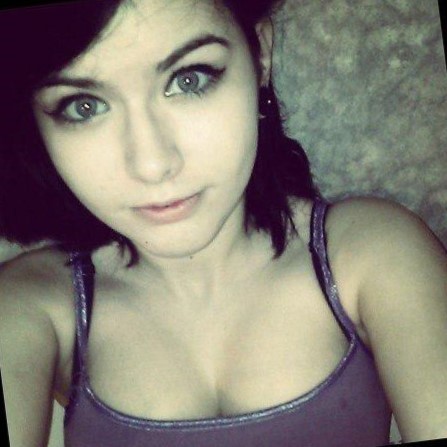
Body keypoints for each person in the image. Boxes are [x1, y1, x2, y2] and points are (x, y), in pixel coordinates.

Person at [0, 1, 446, 446]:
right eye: (83, 106)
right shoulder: (29, 305)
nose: (152, 165)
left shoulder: (376, 254)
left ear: (261, 56)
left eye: (188, 79)